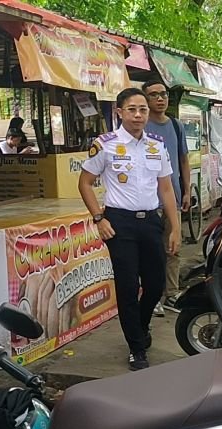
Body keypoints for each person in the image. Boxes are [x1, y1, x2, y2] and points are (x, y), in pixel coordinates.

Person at [78, 87, 180, 371]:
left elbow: (166, 188)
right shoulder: (105, 144)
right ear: (119, 112)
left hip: (150, 222)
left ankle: (141, 326)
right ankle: (136, 347)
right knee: (126, 286)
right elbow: (85, 183)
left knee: (155, 284)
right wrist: (99, 218)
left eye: (143, 109)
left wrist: (174, 227)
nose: (138, 115)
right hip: (118, 224)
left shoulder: (156, 146)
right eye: (132, 109)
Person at [141, 79, 191, 317]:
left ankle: (172, 293)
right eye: (154, 95)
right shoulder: (140, 126)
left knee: (173, 248)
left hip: (173, 198)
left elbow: (183, 160)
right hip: (148, 201)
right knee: (152, 252)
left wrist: (187, 190)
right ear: (146, 100)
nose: (160, 99)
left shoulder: (176, 126)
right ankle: (154, 296)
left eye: (163, 94)